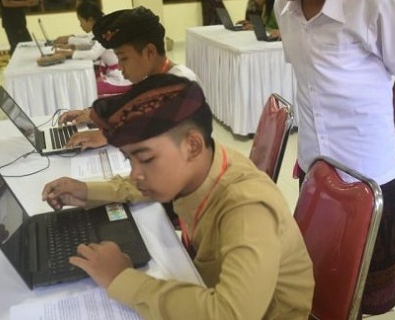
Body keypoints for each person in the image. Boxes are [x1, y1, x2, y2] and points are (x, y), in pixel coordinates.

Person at [259, 0, 395, 316]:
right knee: (316, 273)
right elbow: (308, 79)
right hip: (316, 159)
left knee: (367, 287)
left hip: (367, 161)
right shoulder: (284, 6)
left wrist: (388, 125)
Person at [41, 74, 315, 319]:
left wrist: (123, 280)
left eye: (145, 159)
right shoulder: (204, 161)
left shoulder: (246, 208)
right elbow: (140, 184)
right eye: (130, 159)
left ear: (192, 145)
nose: (136, 173)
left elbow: (230, 313)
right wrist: (86, 191)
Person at [58, 6, 199, 150]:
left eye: (124, 58)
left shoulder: (182, 80)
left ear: (149, 52)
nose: (119, 67)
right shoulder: (152, 79)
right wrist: (93, 114)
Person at [53, 1, 131, 95]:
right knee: (86, 83)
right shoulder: (102, 27)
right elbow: (89, 41)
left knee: (87, 88)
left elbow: (94, 53)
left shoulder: (104, 31)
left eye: (81, 21)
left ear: (90, 20)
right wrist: (70, 45)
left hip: (121, 78)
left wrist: (70, 53)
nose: (80, 25)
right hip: (115, 73)